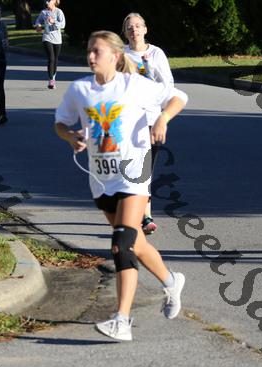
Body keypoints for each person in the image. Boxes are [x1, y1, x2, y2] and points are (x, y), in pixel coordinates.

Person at [54, 30, 188, 341]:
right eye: (89, 50)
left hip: (133, 173)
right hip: (101, 179)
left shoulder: (133, 85)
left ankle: (122, 320)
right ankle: (171, 282)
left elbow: (178, 96)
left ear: (115, 56)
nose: (90, 56)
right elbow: (60, 122)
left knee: (121, 243)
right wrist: (70, 136)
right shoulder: (80, 89)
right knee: (135, 243)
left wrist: (162, 119)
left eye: (97, 51)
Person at [122, 12, 174, 236]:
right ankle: (145, 217)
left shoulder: (156, 53)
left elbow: (168, 84)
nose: (134, 30)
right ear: (125, 33)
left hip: (152, 119)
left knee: (146, 170)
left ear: (145, 29)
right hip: (127, 121)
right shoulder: (121, 54)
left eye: (137, 26)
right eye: (129, 27)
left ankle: (141, 215)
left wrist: (149, 68)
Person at [34, 0, 65, 89]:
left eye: (49, 0)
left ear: (55, 1)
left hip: (57, 39)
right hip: (47, 38)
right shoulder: (43, 12)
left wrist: (53, 21)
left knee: (55, 60)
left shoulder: (59, 12)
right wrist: (38, 26)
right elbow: (38, 21)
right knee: (51, 58)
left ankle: (53, 78)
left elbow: (63, 24)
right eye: (46, 0)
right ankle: (51, 80)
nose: (47, 2)